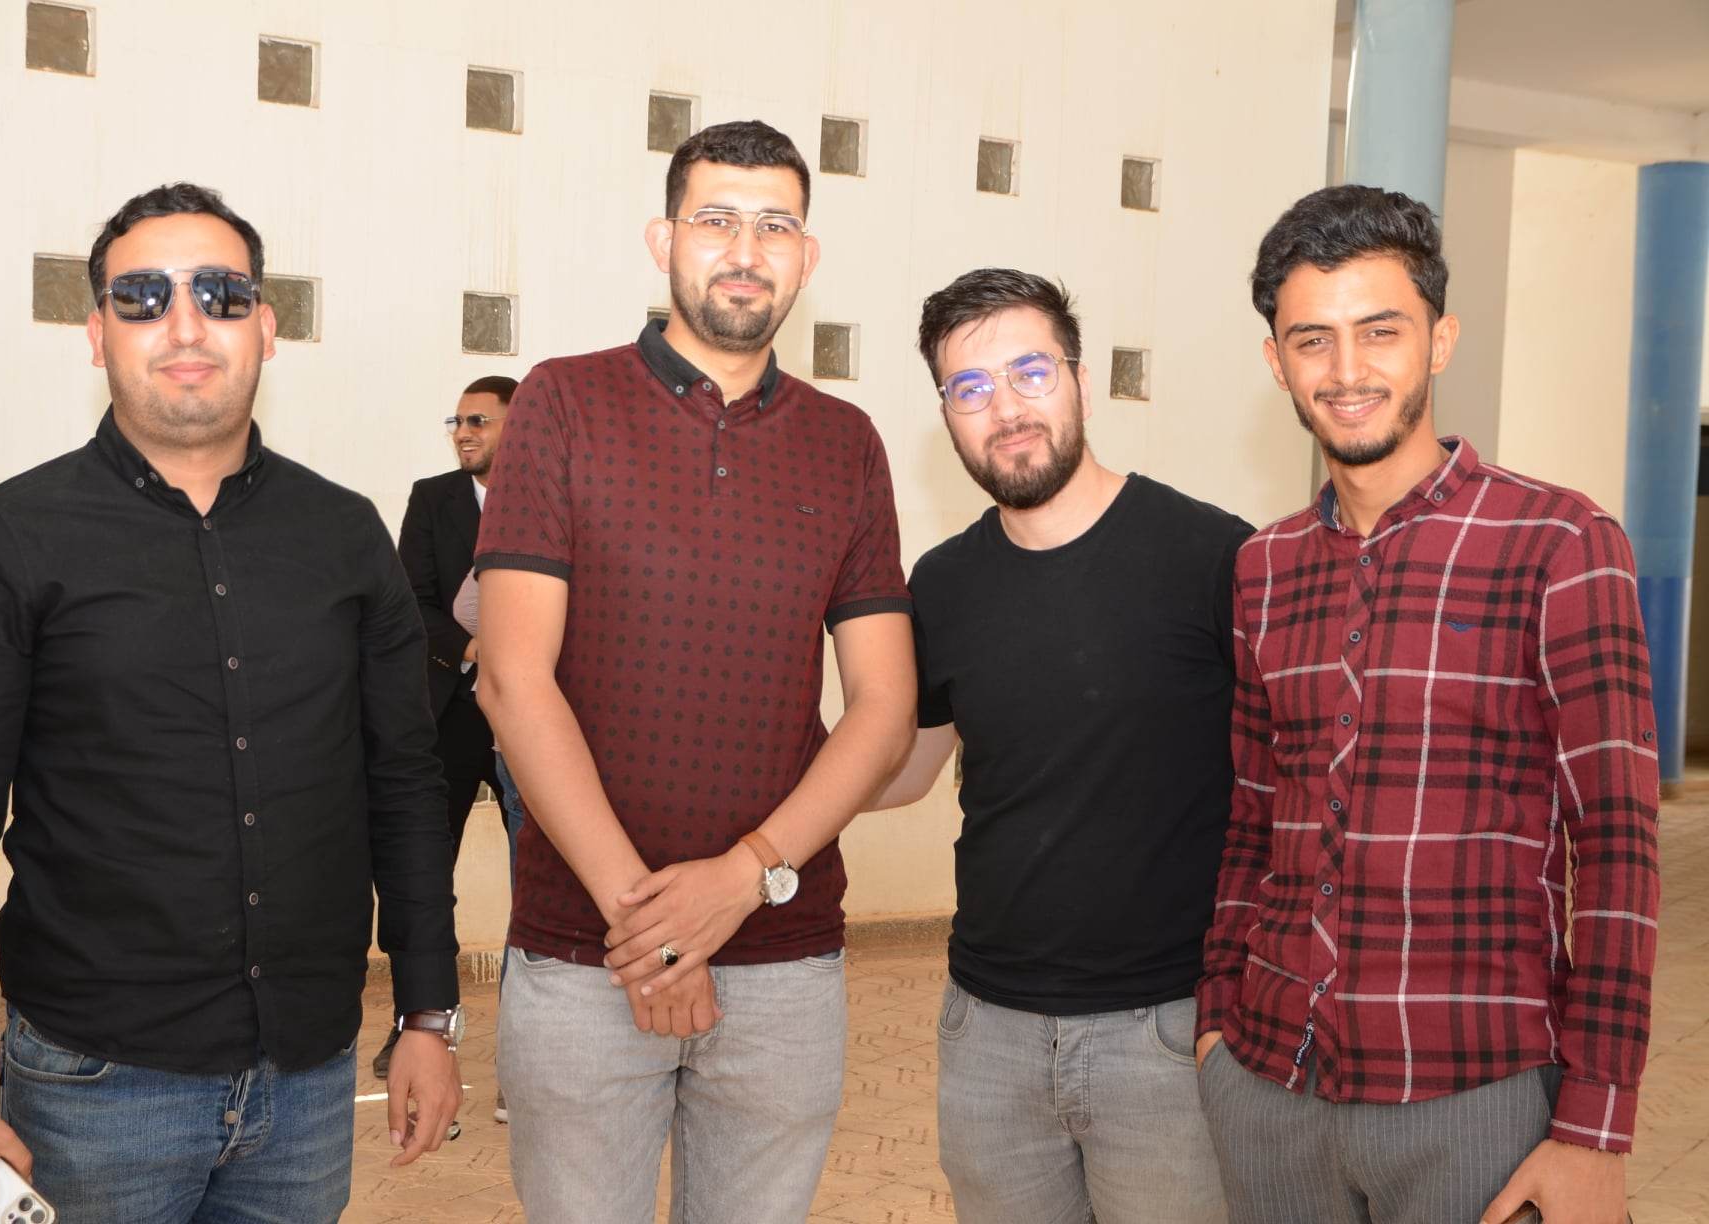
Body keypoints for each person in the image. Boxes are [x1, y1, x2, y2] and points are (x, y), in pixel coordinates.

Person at [0, 182, 464, 1224]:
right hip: (95, 1091)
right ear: (95, 333)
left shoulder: (345, 536)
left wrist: (428, 1011)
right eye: (143, 296)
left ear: (267, 330)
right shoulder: (10, 540)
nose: (185, 324)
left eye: (220, 294)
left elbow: (405, 788)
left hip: (310, 1082)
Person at [472, 119, 916, 1222]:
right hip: (586, 954)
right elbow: (513, 679)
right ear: (663, 239)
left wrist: (744, 877)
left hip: (784, 960)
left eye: (776, 226)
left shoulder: (847, 442)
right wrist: (655, 928)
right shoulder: (562, 403)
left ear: (807, 257)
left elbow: (884, 707)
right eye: (716, 220)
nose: (745, 250)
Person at [1195, 184, 1660, 1224]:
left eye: (1381, 331)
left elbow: (1618, 854)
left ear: (1439, 341)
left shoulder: (1561, 544)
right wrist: (1218, 1021)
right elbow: (1252, 818)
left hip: (1476, 1100)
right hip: (1269, 1092)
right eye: (1312, 340)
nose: (1346, 370)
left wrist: (1594, 1130)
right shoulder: (1264, 566)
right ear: (1275, 361)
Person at [868, 267, 1246, 1223]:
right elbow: (904, 768)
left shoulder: (1214, 558)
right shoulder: (943, 583)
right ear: (946, 415)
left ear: (1080, 379)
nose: (1005, 409)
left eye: (1030, 373)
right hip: (987, 1032)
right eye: (970, 387)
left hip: (1166, 1031)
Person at [372, 375, 515, 1082]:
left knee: (546, 876)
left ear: (518, 425)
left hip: (527, 715)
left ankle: (530, 1031)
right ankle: (418, 1023)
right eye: (457, 421)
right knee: (422, 870)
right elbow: (412, 601)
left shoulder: (552, 495)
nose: (463, 433)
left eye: (479, 420)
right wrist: (475, 648)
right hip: (449, 708)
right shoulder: (433, 499)